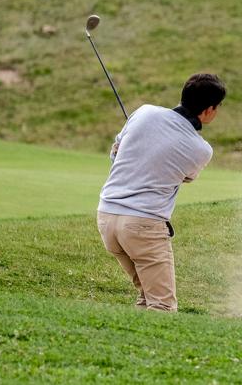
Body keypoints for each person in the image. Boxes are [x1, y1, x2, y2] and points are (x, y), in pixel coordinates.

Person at [96, 73, 226, 312]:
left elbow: (115, 153)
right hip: (143, 226)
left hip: (106, 218)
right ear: (209, 110)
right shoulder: (201, 149)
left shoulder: (144, 112)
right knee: (162, 306)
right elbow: (185, 177)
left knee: (147, 296)